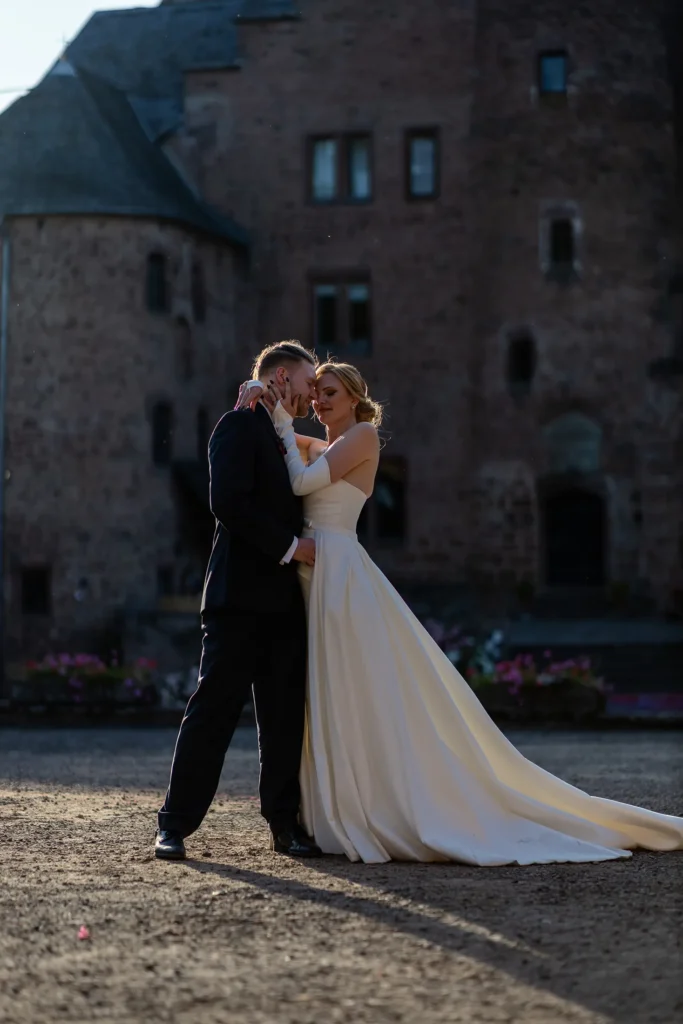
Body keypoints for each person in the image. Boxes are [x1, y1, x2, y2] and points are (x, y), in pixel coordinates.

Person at [236, 362, 683, 864]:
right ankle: (330, 806)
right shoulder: (329, 446)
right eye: (315, 393)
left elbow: (299, 484)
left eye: (330, 392)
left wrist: (277, 420)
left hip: (337, 571)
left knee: (352, 684)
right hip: (313, 574)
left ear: (357, 396)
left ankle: (379, 804)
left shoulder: (364, 435)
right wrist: (264, 406)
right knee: (329, 690)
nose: (319, 400)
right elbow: (298, 449)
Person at [155, 342, 323, 861]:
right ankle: (174, 825)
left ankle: (284, 827)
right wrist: (293, 548)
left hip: (284, 605)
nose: (310, 393)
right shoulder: (236, 426)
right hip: (236, 600)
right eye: (305, 381)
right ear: (278, 377)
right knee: (213, 710)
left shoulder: (285, 434)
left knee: (282, 718)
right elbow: (226, 502)